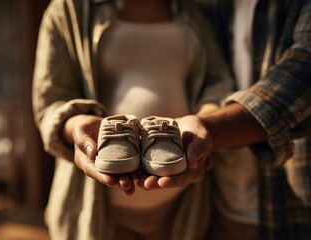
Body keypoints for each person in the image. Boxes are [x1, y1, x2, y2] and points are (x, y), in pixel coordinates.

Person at [32, 0, 233, 239]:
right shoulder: (69, 9)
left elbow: (216, 83)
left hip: (184, 206)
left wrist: (204, 122)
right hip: (94, 209)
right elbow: (51, 100)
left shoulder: (195, 11)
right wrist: (76, 125)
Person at [140, 0, 311, 239]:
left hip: (296, 206)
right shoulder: (211, 6)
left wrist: (208, 128)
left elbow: (308, 67)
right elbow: (211, 78)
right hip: (221, 206)